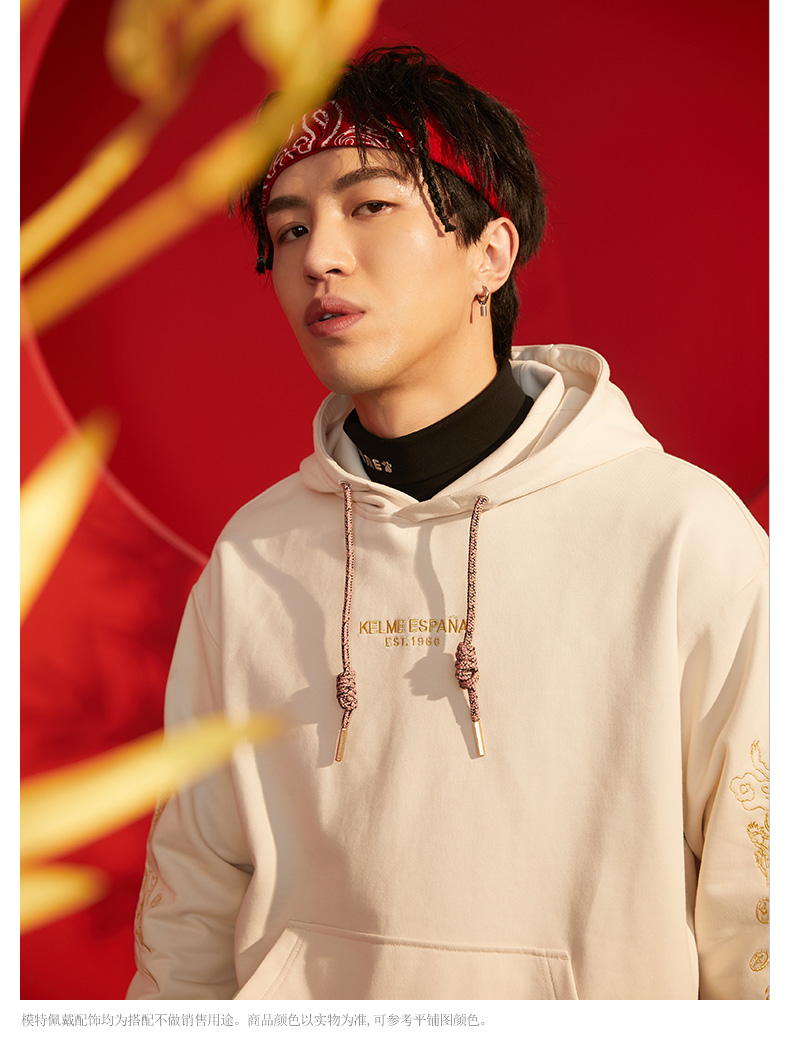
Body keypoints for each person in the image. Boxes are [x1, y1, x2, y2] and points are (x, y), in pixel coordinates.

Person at [127, 45, 768, 1000]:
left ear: (490, 253)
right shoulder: (255, 556)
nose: (318, 257)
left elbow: (760, 911)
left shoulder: (680, 537)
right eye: (289, 227)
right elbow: (193, 900)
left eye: (369, 207)